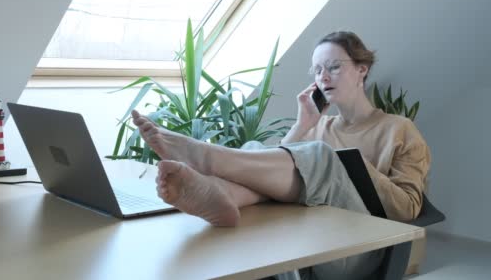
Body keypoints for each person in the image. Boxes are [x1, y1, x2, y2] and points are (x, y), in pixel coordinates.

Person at [131, 31, 430, 280]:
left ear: (361, 69)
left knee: (321, 157)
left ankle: (209, 159)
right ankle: (224, 194)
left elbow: (408, 209)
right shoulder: (317, 127)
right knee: (256, 152)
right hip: (304, 241)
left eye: (334, 67)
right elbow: (272, 170)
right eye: (316, 70)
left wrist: (352, 165)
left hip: (357, 250)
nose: (323, 76)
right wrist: (302, 126)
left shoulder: (399, 129)